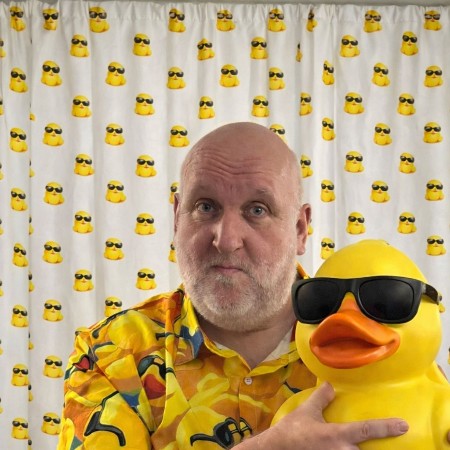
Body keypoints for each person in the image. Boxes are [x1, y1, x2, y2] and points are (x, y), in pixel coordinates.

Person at [59, 122, 426, 449]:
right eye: (205, 207)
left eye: (257, 210)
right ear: (176, 219)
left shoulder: (380, 337)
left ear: (300, 230)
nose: (226, 239)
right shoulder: (110, 354)